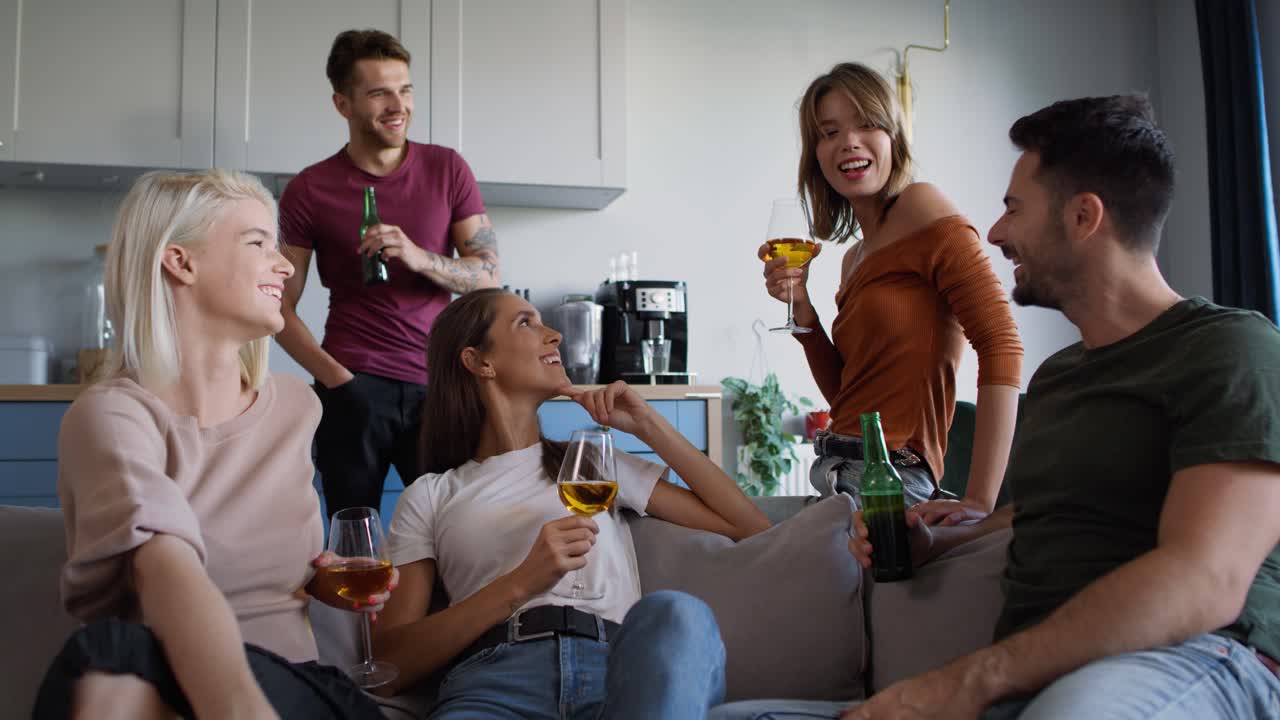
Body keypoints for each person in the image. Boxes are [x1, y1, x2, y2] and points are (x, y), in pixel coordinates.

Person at [719, 94, 1280, 719]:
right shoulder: (1063, 378)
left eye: (1013, 208)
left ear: (1083, 217)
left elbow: (1206, 579)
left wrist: (969, 680)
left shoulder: (1231, 349)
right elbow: (1034, 513)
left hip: (1194, 659)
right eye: (826, 132)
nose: (993, 232)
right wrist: (942, 540)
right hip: (1034, 677)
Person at [32, 170, 394, 720]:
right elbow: (162, 566)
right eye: (258, 243)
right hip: (179, 678)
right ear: (181, 262)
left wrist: (318, 579)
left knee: (109, 661)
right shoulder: (114, 414)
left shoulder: (297, 406)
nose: (287, 265)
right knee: (111, 655)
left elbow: (267, 567)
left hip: (302, 684)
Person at [370, 287, 773, 718]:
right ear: (478, 362)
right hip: (493, 685)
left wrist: (647, 425)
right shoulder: (432, 494)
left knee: (677, 613)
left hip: (619, 673)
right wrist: (521, 583)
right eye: (525, 322)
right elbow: (391, 667)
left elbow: (749, 528)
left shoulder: (595, 465)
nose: (555, 335)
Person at [761, 62, 1023, 524]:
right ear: (817, 154)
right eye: (829, 132)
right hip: (833, 472)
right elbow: (849, 395)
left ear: (894, 137)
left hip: (890, 482)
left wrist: (980, 502)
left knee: (725, 543)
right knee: (703, 531)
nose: (849, 141)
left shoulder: (922, 206)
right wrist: (802, 311)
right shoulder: (854, 257)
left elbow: (1001, 343)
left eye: (867, 124)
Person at [277, 28, 501, 517]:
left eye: (405, 89)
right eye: (379, 92)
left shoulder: (447, 169)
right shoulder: (309, 189)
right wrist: (337, 380)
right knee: (353, 539)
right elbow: (277, 305)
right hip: (353, 385)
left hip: (439, 386)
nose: (397, 105)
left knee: (450, 532)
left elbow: (487, 276)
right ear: (343, 104)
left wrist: (417, 256)